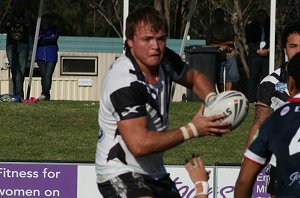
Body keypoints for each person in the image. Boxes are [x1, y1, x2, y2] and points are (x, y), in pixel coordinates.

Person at [95, 6, 231, 197]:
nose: (155, 46)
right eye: (147, 39)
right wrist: (192, 129)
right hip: (119, 170)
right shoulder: (123, 81)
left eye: (161, 38)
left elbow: (194, 78)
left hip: (154, 172)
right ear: (130, 42)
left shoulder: (164, 59)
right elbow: (139, 144)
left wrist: (213, 100)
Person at [244, 21, 300, 197]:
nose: (298, 51)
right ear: (284, 49)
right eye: (293, 46)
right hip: (281, 165)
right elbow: (259, 124)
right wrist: (246, 164)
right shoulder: (271, 83)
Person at [1, 0, 32, 99]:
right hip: (11, 45)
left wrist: (27, 20)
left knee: (21, 71)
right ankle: (18, 94)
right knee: (15, 70)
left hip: (23, 45)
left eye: (21, 4)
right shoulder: (9, 14)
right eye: (16, 4)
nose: (19, 6)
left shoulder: (27, 15)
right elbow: (2, 27)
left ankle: (17, 94)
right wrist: (9, 16)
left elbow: (32, 28)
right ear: (13, 5)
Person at [206, 8, 240, 92]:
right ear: (214, 16)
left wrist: (216, 42)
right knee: (218, 76)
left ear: (224, 16)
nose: (219, 17)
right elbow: (208, 42)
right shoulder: (211, 27)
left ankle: (228, 93)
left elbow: (231, 40)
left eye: (221, 15)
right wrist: (222, 45)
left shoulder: (229, 26)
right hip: (217, 54)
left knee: (231, 75)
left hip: (229, 53)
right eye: (217, 15)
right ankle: (221, 95)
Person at [245, 9, 270, 103]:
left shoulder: (269, 27)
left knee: (266, 77)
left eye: (263, 16)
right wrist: (257, 51)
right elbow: (249, 41)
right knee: (253, 77)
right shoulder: (251, 27)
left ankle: (264, 98)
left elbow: (274, 39)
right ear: (256, 17)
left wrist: (268, 50)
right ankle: (251, 98)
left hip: (267, 55)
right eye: (259, 16)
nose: (261, 17)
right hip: (255, 55)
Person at [35, 11, 59, 101]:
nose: (47, 19)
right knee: (43, 75)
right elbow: (35, 39)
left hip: (51, 55)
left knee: (48, 75)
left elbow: (53, 38)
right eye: (45, 17)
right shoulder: (38, 28)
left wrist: (41, 39)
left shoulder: (54, 29)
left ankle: (45, 93)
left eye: (49, 17)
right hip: (40, 55)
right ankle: (45, 94)